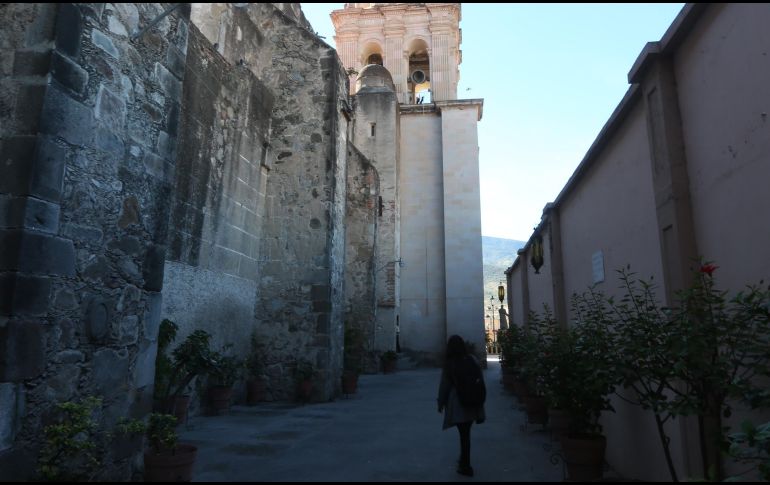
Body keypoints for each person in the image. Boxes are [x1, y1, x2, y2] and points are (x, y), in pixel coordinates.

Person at [437, 335, 486, 477]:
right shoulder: (472, 359)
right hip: (472, 402)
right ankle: (464, 462)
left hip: (459, 403)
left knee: (463, 435)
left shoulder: (450, 364)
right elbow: (480, 380)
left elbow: (444, 386)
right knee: (466, 435)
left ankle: (465, 465)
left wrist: (440, 403)